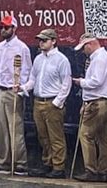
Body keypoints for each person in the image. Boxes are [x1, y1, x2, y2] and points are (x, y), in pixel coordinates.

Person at [16, 29, 72, 179]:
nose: (41, 43)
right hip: (38, 101)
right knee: (43, 136)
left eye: (44, 40)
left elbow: (66, 83)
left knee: (56, 136)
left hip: (52, 102)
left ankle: (59, 166)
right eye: (40, 40)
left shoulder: (61, 60)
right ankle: (47, 163)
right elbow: (33, 79)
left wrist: (57, 102)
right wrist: (23, 88)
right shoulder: (38, 59)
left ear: (53, 41)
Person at [0, 15, 32, 176]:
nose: (3, 30)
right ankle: (4, 162)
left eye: (6, 27)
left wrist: (21, 88)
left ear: (14, 28)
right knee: (2, 128)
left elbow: (26, 70)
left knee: (16, 128)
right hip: (1, 90)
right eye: (1, 28)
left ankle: (20, 163)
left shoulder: (22, 48)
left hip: (13, 91)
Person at [72, 33, 107, 183]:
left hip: (98, 103)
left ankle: (91, 170)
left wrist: (80, 82)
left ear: (89, 45)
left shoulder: (98, 59)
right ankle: (102, 171)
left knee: (85, 134)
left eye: (83, 48)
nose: (83, 52)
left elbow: (96, 82)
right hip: (105, 101)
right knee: (102, 137)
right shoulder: (103, 57)